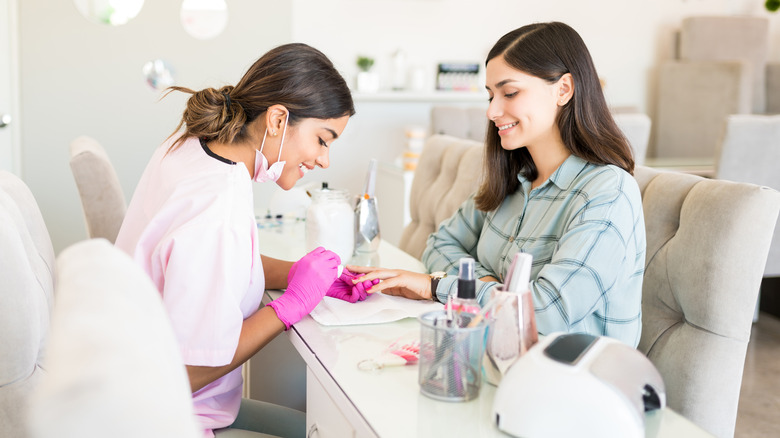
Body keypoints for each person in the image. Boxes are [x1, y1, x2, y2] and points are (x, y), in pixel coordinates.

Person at [115, 43, 372, 438]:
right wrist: (290, 307)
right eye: (323, 139)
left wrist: (297, 274)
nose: (325, 160)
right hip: (166, 417)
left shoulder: (196, 149)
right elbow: (187, 374)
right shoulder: (216, 205)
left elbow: (217, 263)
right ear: (277, 119)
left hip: (135, 392)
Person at [349, 22, 646, 347]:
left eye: (510, 93)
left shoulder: (606, 191)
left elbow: (546, 312)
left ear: (563, 89)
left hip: (575, 383)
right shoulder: (513, 180)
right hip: (500, 358)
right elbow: (439, 244)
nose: (492, 111)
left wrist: (438, 286)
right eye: (491, 95)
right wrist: (491, 286)